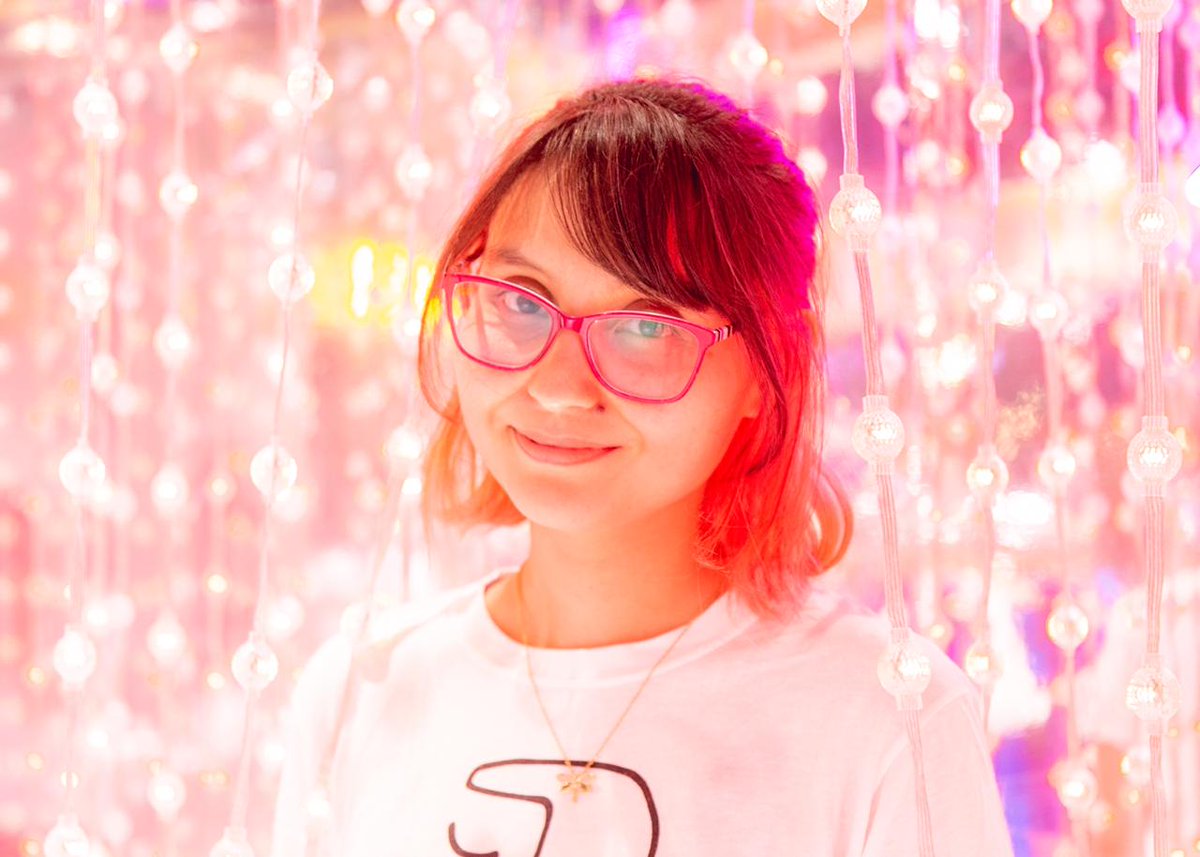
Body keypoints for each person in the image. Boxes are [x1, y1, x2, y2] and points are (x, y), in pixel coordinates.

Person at [270, 77, 1013, 856]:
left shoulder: (884, 719)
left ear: (769, 372)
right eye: (521, 302)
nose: (558, 387)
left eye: (645, 326)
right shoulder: (360, 693)